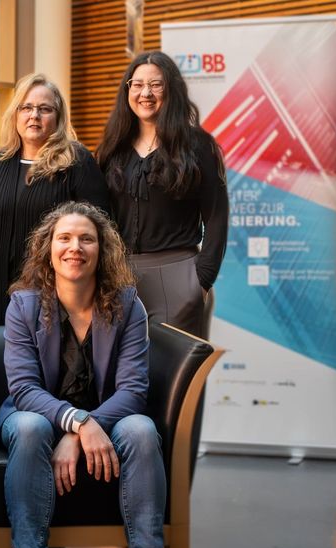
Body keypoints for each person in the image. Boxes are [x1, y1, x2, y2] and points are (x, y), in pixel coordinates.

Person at [0, 202, 187, 548]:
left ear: (103, 249)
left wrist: (82, 428)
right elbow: (23, 390)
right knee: (29, 428)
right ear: (48, 248)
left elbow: (134, 391)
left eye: (86, 238)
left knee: (142, 429)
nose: (74, 247)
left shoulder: (128, 306)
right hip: (36, 416)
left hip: (110, 419)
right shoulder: (22, 306)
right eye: (64, 238)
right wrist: (78, 423)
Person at [96, 50, 228, 339]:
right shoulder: (112, 148)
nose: (146, 93)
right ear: (127, 90)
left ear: (172, 90)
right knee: (123, 376)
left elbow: (217, 217)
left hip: (179, 274)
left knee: (178, 378)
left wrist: (200, 282)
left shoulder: (197, 145)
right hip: (120, 277)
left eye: (156, 85)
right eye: (138, 84)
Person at [0, 73, 109, 326]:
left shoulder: (76, 163)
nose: (34, 115)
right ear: (16, 114)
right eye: (27, 108)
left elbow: (101, 233)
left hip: (51, 298)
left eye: (44, 109)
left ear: (58, 117)